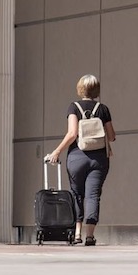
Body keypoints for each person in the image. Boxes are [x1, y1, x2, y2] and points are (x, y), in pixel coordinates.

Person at [46, 74, 116, 246]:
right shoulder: (103, 109)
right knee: (93, 195)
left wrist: (57, 151)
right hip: (99, 159)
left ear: (80, 89)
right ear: (96, 89)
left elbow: (72, 134)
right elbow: (112, 136)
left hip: (77, 157)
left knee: (77, 194)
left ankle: (77, 233)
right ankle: (90, 236)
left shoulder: (73, 107)